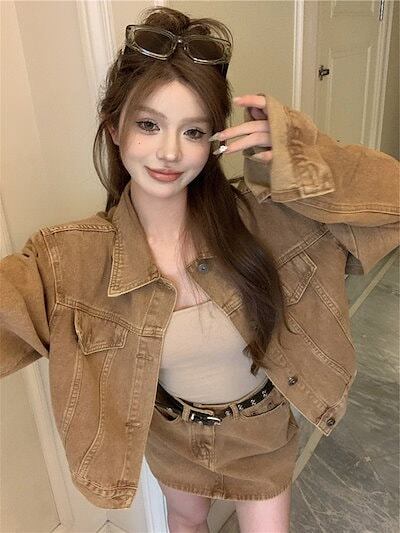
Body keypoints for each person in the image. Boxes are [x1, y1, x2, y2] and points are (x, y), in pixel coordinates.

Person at [1, 5, 399, 532]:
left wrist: (305, 158)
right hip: (172, 434)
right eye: (148, 125)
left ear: (214, 140)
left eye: (192, 132)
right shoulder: (68, 258)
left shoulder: (267, 219)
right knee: (185, 522)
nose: (169, 152)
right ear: (114, 128)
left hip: (260, 431)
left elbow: (391, 203)